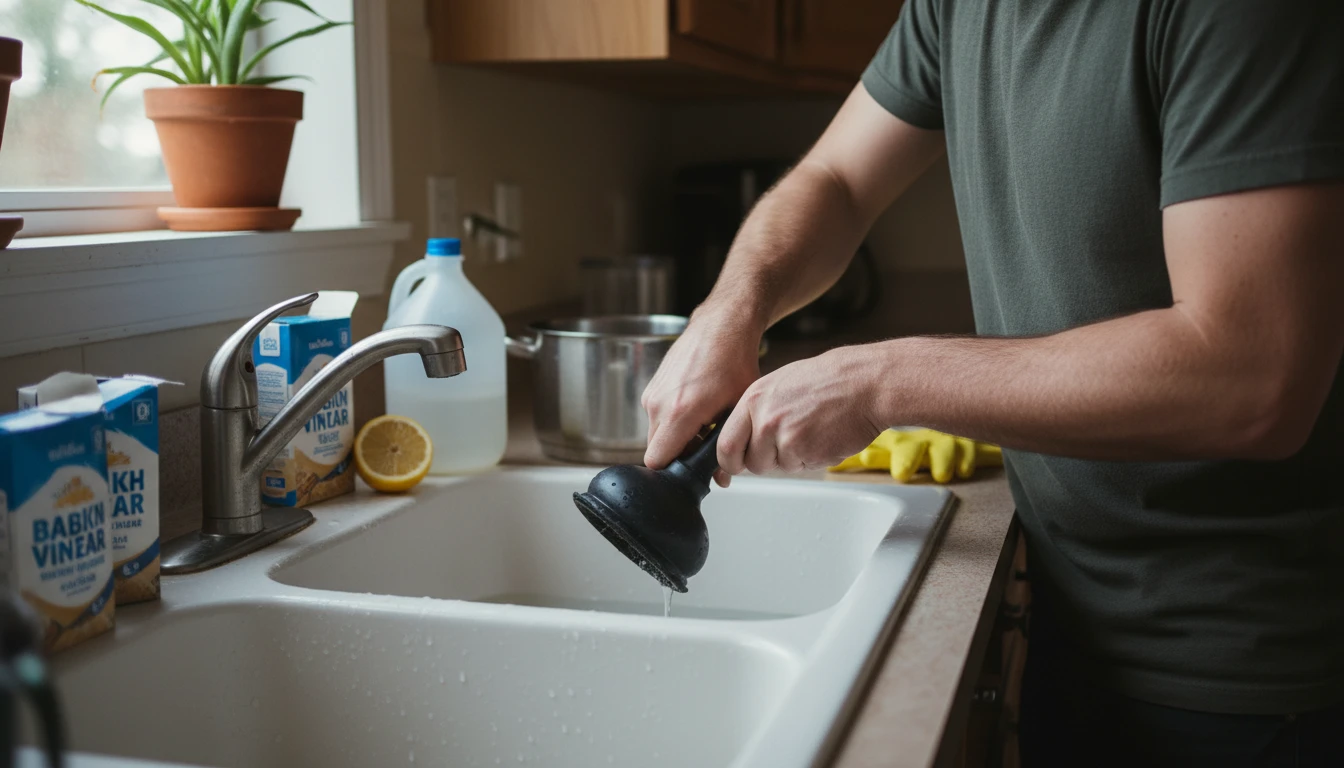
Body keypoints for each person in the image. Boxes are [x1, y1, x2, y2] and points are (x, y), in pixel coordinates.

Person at [639, 1, 1344, 765]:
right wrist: (730, 309)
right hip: (1068, 608)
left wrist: (881, 380)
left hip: (1239, 673)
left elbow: (1250, 376)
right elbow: (837, 178)